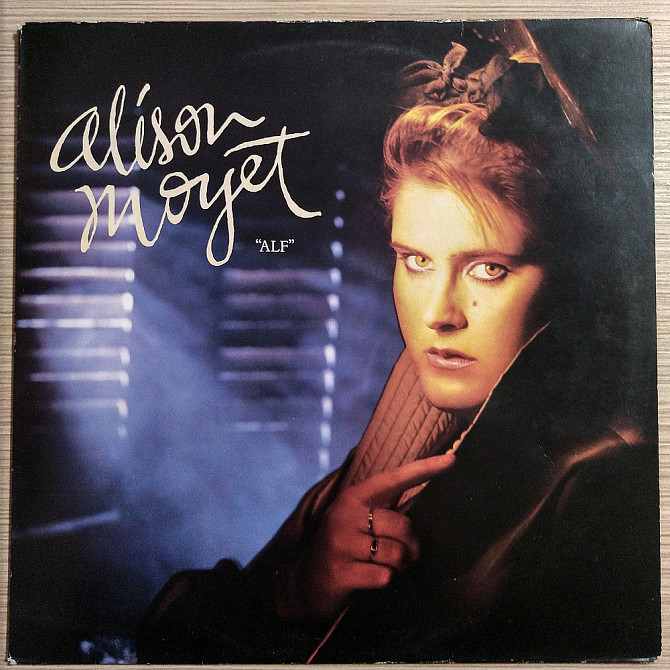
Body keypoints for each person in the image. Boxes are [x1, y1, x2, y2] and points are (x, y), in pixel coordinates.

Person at [136, 35, 660, 664]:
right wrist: (299, 593)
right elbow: (172, 639)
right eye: (415, 260)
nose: (439, 314)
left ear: (568, 277)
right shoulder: (395, 446)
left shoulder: (608, 481)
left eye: (488, 269)